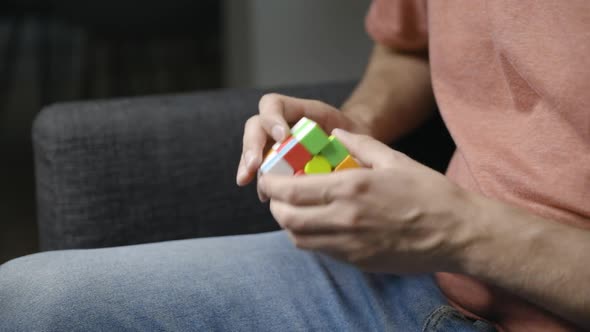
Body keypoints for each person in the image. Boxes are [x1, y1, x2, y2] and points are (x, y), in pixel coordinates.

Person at [1, 1, 588, 331]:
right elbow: (409, 42)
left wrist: (463, 231)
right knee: (26, 300)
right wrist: (356, 122)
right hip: (420, 285)